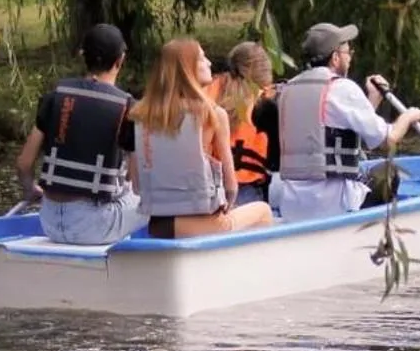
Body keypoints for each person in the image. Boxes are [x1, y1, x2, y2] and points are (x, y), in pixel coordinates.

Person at [272, 22, 420, 223]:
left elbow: (333, 131)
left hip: (292, 205)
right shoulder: (342, 88)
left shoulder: (287, 91)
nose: (350, 56)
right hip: (333, 205)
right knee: (388, 173)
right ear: (335, 58)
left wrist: (373, 99)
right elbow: (388, 140)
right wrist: (409, 116)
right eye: (347, 51)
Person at [129, 38, 274, 239]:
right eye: (202, 59)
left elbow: (136, 186)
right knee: (263, 211)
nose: (210, 63)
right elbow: (231, 188)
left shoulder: (141, 115)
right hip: (202, 222)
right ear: (187, 69)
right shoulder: (213, 114)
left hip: (158, 224)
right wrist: (224, 209)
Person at [16, 23, 142, 246]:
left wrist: (30, 190)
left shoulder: (55, 98)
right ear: (120, 60)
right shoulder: (127, 107)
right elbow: (136, 179)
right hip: (96, 227)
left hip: (50, 223)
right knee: (149, 200)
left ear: (84, 57)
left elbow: (24, 164)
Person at [213, 41, 276, 206]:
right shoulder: (265, 109)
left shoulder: (209, 98)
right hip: (248, 193)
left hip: (212, 190)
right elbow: (276, 160)